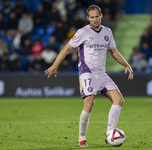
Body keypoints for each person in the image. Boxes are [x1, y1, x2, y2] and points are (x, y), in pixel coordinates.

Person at [44, 5, 133, 147]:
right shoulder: (82, 32)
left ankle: (109, 134)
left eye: (97, 16)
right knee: (90, 103)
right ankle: (82, 138)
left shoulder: (107, 32)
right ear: (88, 18)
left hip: (101, 73)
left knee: (119, 100)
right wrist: (55, 66)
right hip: (87, 72)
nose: (95, 19)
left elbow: (114, 52)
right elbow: (67, 49)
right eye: (92, 17)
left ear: (101, 16)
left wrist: (126, 64)